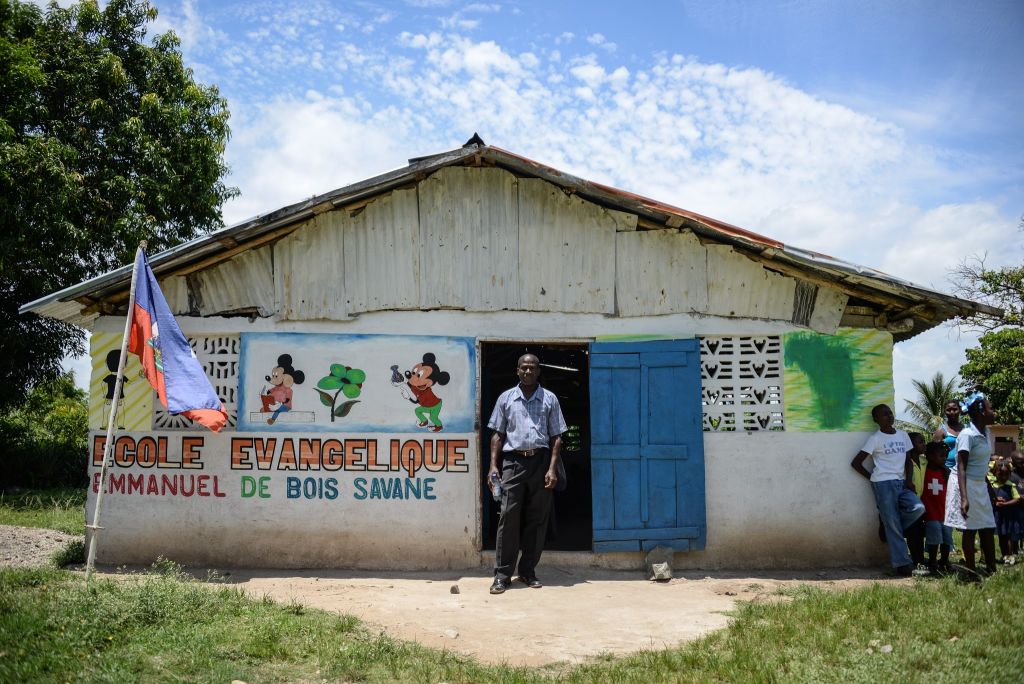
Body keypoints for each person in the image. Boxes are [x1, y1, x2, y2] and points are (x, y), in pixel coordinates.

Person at [487, 353, 567, 594]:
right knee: (508, 517)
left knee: (536, 519)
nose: (528, 372)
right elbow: (497, 435)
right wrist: (493, 466)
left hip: (541, 463)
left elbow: (556, 437)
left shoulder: (549, 399)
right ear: (517, 370)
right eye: (524, 368)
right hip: (513, 463)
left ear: (539, 371)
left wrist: (552, 468)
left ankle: (527, 571)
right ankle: (502, 575)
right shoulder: (506, 399)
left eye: (532, 368)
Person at [851, 404, 926, 576]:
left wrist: (909, 481)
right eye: (884, 414)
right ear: (876, 419)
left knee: (918, 508)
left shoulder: (903, 435)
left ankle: (887, 525)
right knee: (893, 524)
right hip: (883, 484)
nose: (889, 416)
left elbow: (908, 460)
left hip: (902, 483)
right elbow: (856, 463)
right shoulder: (875, 439)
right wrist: (872, 478)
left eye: (890, 413)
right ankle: (903, 564)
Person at [944, 392, 998, 578]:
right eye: (991, 408)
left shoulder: (986, 432)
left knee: (988, 526)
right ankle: (970, 571)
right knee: (970, 528)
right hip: (964, 484)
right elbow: (961, 467)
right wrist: (965, 498)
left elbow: (982, 465)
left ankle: (992, 568)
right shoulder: (967, 435)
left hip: (979, 484)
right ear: (982, 412)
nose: (994, 412)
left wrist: (989, 488)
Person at [920, 441, 954, 574]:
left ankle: (944, 561)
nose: (944, 458)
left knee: (947, 538)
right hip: (931, 512)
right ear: (931, 456)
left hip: (945, 513)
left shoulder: (946, 472)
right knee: (934, 538)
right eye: (941, 456)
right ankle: (933, 561)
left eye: (945, 456)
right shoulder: (924, 470)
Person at [989, 458, 1021, 565]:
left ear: (1010, 474)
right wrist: (994, 501)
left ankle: (1009, 556)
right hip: (998, 516)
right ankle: (1004, 555)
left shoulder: (1010, 485)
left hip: (1008, 516)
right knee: (1001, 537)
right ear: (995, 473)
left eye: (1006, 475)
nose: (1003, 477)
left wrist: (1005, 504)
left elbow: (1017, 498)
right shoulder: (992, 485)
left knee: (1008, 536)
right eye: (1000, 474)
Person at [933, 399, 964, 470]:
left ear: (960, 410)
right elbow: (934, 454)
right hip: (947, 471)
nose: (952, 412)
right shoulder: (941, 431)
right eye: (948, 410)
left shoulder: (966, 429)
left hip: (964, 469)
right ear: (944, 412)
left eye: (955, 409)